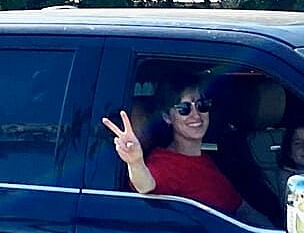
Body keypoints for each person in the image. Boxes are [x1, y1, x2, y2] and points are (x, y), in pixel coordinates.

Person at [103, 85, 243, 215]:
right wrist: (135, 162)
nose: (196, 115)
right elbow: (145, 186)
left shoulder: (206, 158)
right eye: (184, 109)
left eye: (201, 106)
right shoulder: (165, 163)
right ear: (167, 117)